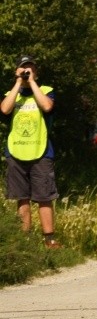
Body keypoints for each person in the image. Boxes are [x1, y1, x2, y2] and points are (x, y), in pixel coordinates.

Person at [2, 55, 61, 247]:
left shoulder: (46, 91)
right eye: (23, 68)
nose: (27, 72)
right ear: (16, 71)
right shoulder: (12, 93)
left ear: (36, 71)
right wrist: (19, 82)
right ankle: (25, 240)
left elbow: (46, 106)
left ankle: (49, 238)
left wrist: (32, 82)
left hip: (41, 152)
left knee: (44, 197)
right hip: (16, 152)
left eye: (30, 68)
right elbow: (5, 109)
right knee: (22, 198)